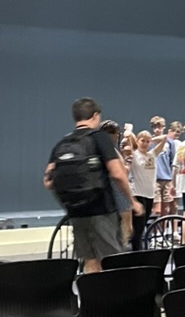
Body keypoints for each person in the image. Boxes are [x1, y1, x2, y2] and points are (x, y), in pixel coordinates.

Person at [44, 97, 142, 273]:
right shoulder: (99, 138)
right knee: (111, 262)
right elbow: (118, 174)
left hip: (75, 212)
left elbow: (48, 181)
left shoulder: (63, 143)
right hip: (101, 210)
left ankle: (91, 298)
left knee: (90, 260)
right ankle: (113, 299)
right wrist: (132, 201)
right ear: (95, 115)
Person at [126, 129, 166, 249]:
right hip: (138, 194)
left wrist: (151, 139)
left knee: (142, 226)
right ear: (137, 141)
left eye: (147, 141)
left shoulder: (152, 154)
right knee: (138, 229)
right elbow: (129, 135)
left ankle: (138, 249)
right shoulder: (134, 154)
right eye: (143, 141)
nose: (145, 143)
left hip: (150, 195)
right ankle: (137, 253)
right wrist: (133, 136)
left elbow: (164, 138)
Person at [101, 119, 134, 247]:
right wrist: (128, 159)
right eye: (116, 134)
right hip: (116, 190)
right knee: (127, 227)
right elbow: (123, 172)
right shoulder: (111, 151)